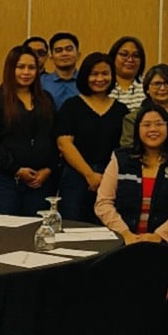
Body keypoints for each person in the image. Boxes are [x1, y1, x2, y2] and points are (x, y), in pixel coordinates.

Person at [0, 46, 58, 217]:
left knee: (37, 228)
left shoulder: (46, 99)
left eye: (32, 67)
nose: (26, 72)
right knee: (5, 230)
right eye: (20, 67)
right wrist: (16, 169)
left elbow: (54, 137)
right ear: (10, 68)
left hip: (40, 181)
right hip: (4, 181)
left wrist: (48, 169)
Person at [94, 105, 168, 245]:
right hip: (120, 241)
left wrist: (159, 235)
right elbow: (103, 203)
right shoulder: (120, 159)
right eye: (146, 125)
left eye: (159, 124)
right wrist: (125, 234)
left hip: (163, 243)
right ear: (137, 129)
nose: (153, 129)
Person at [55, 53, 128, 222]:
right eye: (94, 74)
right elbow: (64, 144)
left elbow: (124, 148)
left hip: (111, 177)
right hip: (75, 177)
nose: (100, 79)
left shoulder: (121, 110)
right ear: (84, 76)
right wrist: (89, 175)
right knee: (73, 227)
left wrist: (106, 177)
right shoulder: (71, 106)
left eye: (105, 73)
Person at [120, 64, 168, 150]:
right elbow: (127, 150)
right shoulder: (133, 119)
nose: (162, 88)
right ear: (147, 89)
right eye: (157, 84)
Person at [39, 32, 81, 110]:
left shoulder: (87, 81)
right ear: (51, 58)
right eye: (58, 50)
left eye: (69, 49)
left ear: (78, 55)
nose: (64, 54)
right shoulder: (41, 82)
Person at [108, 36, 148, 109]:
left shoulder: (148, 86)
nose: (130, 60)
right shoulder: (103, 85)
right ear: (113, 56)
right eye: (124, 54)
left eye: (136, 56)